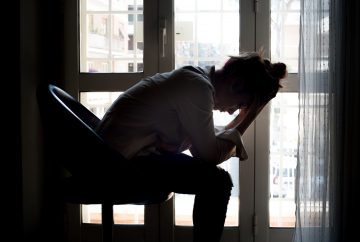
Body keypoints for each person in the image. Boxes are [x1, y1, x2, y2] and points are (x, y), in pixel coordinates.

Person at [95, 51, 287, 242]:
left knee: (215, 180)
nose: (231, 112)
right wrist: (251, 114)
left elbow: (207, 145)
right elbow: (209, 154)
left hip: (122, 157)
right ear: (234, 84)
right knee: (218, 182)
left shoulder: (197, 82)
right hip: (116, 165)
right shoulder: (198, 88)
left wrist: (247, 113)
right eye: (239, 105)